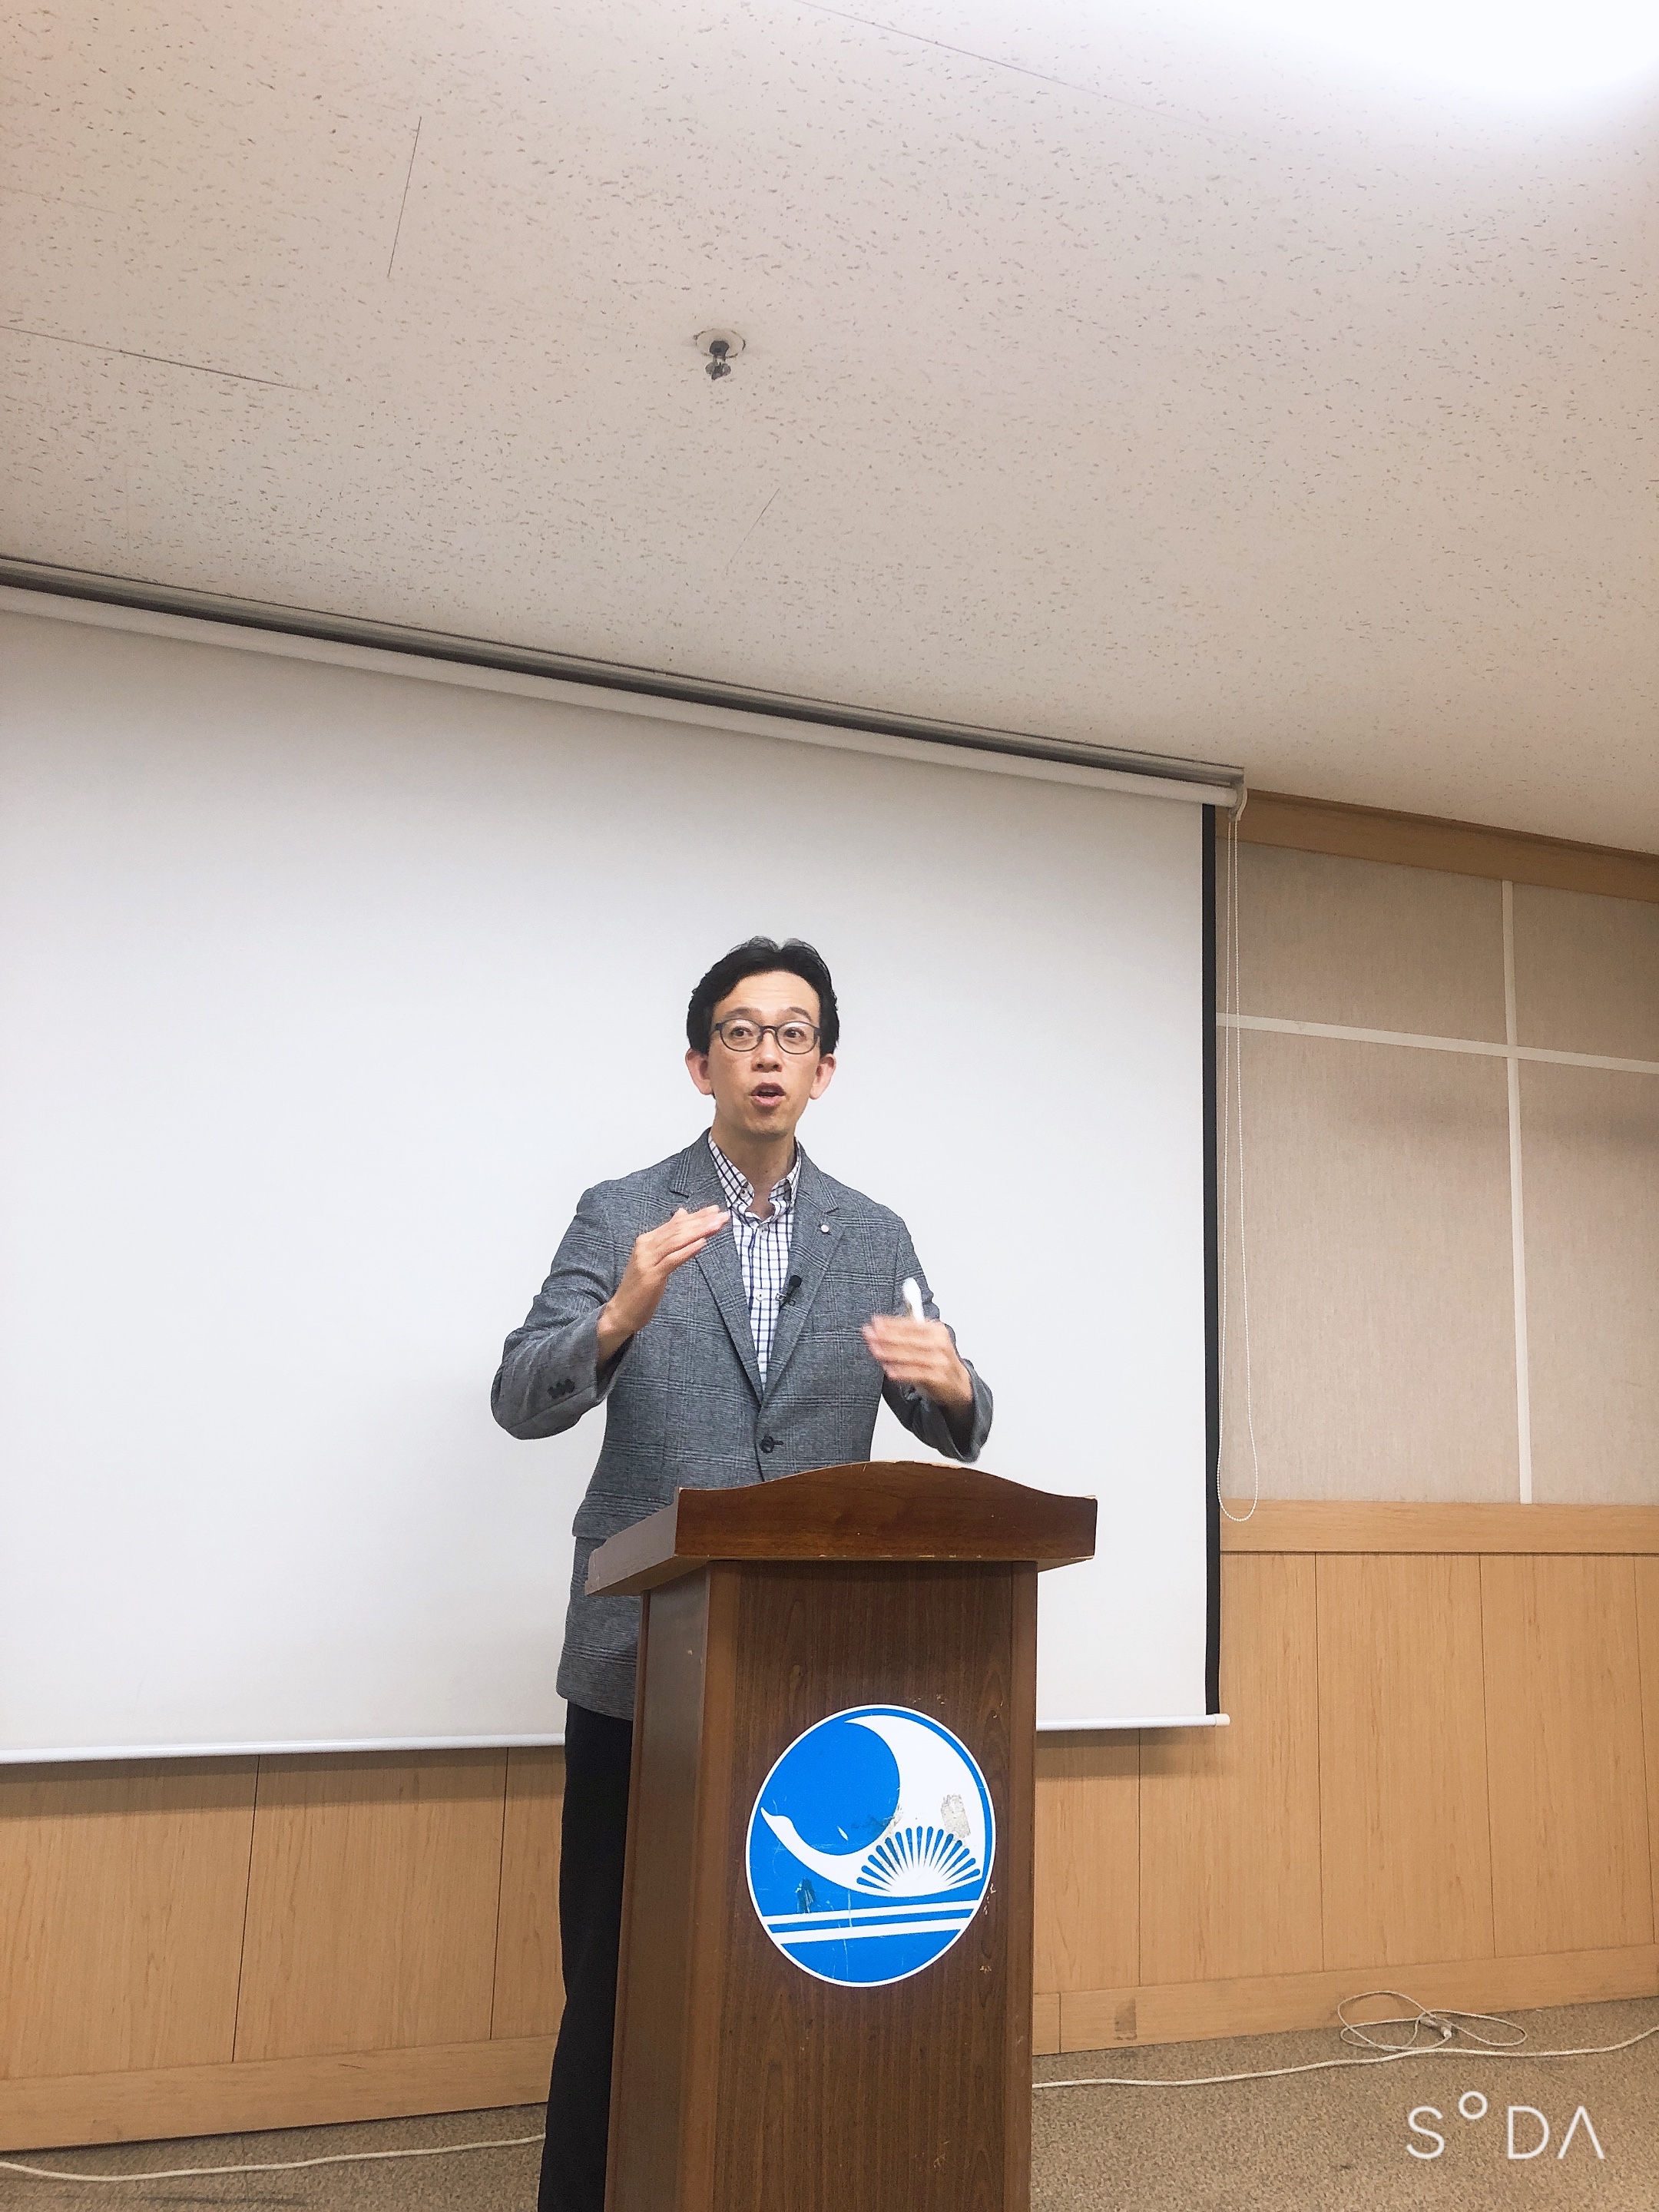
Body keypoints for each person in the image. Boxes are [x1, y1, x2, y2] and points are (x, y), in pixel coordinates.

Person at [492, 934, 992, 2212]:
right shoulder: (623, 1211)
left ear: (824, 1071)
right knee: (617, 1965)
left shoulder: (873, 1233)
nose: (767, 1054)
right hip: (639, 1656)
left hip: (808, 1666)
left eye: (793, 1034)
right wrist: (618, 1315)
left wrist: (956, 1387)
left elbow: (948, 1415)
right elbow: (520, 1396)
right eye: (741, 1032)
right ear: (699, 1062)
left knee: (787, 1956)